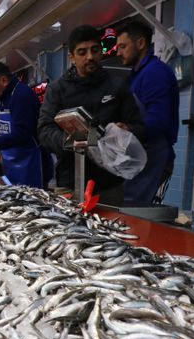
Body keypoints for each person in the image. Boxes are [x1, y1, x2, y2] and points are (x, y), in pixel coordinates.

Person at [38, 24, 145, 205]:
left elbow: (140, 127)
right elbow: (44, 130)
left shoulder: (117, 86)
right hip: (69, 183)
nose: (90, 57)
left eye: (94, 50)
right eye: (82, 52)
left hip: (109, 185)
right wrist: (70, 140)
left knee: (110, 230)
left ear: (101, 52)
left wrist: (126, 130)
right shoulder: (57, 90)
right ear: (71, 57)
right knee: (69, 232)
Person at [116, 20, 179, 203]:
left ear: (141, 43)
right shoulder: (135, 75)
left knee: (132, 211)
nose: (118, 52)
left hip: (153, 157)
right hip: (139, 155)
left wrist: (127, 128)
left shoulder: (155, 73)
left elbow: (158, 121)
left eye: (123, 46)